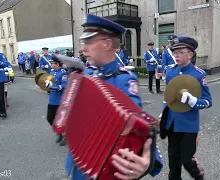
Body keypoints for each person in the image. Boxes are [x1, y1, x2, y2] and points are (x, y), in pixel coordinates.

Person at [65, 13, 163, 180]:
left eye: (89, 41)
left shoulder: (124, 79)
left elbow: (138, 124)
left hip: (107, 166)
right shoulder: (84, 75)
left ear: (107, 44)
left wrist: (148, 157)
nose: (84, 48)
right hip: (80, 163)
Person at [161, 36, 212, 180]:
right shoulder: (170, 72)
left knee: (187, 160)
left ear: (190, 54)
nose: (176, 55)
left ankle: (198, 176)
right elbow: (168, 96)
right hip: (172, 124)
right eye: (174, 52)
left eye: (180, 52)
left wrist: (193, 101)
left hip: (189, 126)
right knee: (173, 162)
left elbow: (208, 101)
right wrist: (163, 112)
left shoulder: (198, 74)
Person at [44, 55, 68, 146]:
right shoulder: (51, 71)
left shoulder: (63, 73)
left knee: (61, 119)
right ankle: (60, 133)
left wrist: (53, 86)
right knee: (50, 118)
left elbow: (64, 86)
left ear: (57, 64)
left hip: (60, 100)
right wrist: (46, 83)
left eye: (52, 63)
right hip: (52, 100)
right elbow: (48, 82)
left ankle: (65, 135)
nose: (51, 64)